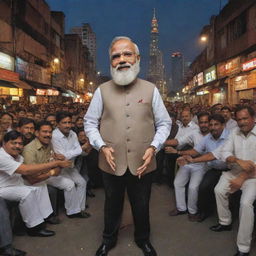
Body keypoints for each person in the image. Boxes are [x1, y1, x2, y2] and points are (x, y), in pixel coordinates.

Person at [84, 36, 171, 256]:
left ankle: (143, 239)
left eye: (127, 54)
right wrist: (101, 146)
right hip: (111, 162)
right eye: (116, 56)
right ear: (111, 61)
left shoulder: (151, 89)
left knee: (141, 205)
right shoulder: (101, 90)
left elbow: (164, 123)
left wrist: (154, 147)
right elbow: (90, 122)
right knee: (112, 204)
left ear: (137, 58)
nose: (122, 59)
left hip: (144, 162)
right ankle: (108, 240)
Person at [0, 131, 70, 237]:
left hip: (16, 184)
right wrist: (55, 163)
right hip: (3, 188)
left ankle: (45, 217)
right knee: (27, 193)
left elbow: (28, 175)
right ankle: (34, 228)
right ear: (4, 143)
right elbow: (26, 171)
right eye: (13, 143)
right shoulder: (1, 156)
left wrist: (50, 167)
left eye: (20, 143)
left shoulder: (18, 156)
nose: (17, 146)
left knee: (40, 185)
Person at [208, 106, 256, 256]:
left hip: (253, 177)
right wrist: (238, 160)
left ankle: (243, 247)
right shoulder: (234, 133)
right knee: (219, 190)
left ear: (253, 118)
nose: (242, 122)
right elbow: (225, 152)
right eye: (239, 119)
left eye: (245, 118)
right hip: (235, 171)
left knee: (245, 204)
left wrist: (242, 178)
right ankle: (225, 222)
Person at [52, 112, 89, 218]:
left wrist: (81, 150)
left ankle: (80, 208)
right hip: (58, 169)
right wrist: (80, 149)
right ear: (58, 124)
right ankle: (73, 212)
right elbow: (63, 156)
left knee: (82, 182)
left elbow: (71, 153)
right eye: (64, 123)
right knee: (70, 184)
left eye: (69, 122)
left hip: (70, 166)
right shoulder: (54, 136)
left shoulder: (72, 133)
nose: (67, 125)